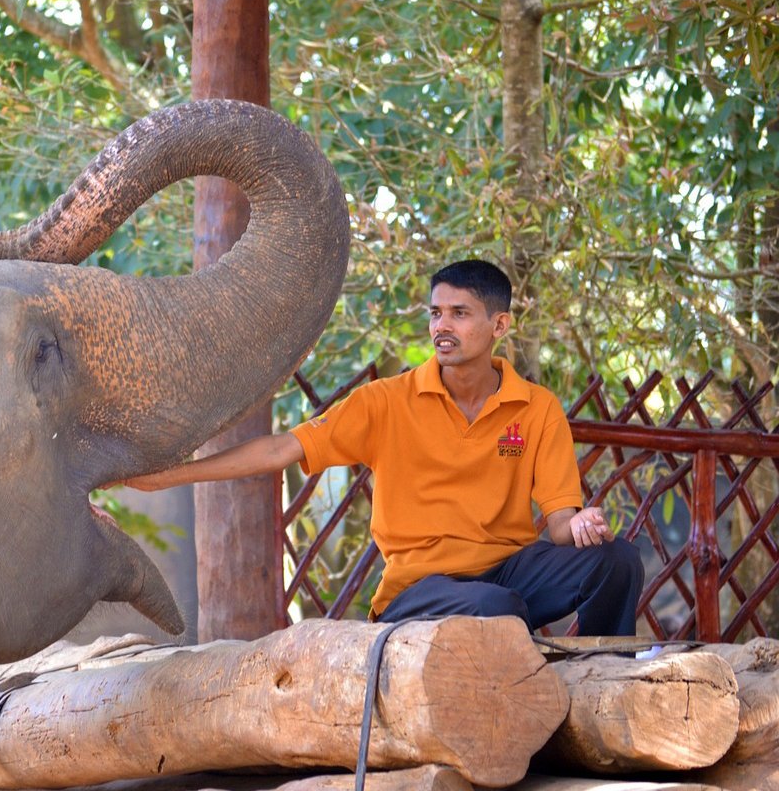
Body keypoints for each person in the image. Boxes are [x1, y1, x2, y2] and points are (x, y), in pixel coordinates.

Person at [124, 259, 644, 636]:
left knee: (617, 560)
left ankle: (600, 674)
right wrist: (168, 474)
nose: (442, 326)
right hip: (419, 589)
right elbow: (280, 450)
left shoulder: (536, 408)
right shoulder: (386, 401)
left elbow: (559, 523)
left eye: (460, 313)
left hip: (509, 574)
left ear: (499, 325)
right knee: (496, 607)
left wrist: (580, 525)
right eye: (436, 313)